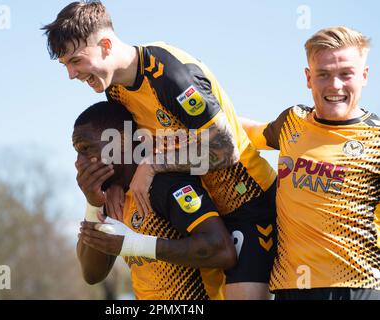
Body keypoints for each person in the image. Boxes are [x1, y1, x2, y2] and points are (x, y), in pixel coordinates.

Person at [42, 1, 277, 299]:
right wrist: (114, 184)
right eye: (66, 66)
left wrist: (153, 165)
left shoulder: (169, 73)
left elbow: (225, 148)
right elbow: (138, 144)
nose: (71, 75)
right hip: (204, 207)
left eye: (76, 61)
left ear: (104, 45)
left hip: (248, 203)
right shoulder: (114, 89)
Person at [240, 26, 380, 300]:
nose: (335, 85)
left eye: (346, 74)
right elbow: (243, 132)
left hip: (357, 288)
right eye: (324, 74)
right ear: (308, 78)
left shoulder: (377, 140)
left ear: (363, 76)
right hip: (290, 288)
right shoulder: (292, 121)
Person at [74, 100, 236, 300]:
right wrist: (93, 205)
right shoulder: (111, 197)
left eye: (85, 148)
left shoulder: (163, 183)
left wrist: (135, 244)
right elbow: (92, 274)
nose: (78, 162)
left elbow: (223, 250)